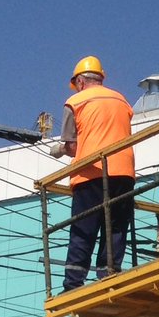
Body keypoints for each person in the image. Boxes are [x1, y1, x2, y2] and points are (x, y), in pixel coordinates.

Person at [50, 55, 136, 292]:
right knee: (116, 228)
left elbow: (73, 146)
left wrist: (60, 149)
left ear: (79, 81)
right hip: (124, 172)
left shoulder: (75, 102)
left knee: (83, 230)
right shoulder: (121, 100)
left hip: (91, 172)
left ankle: (73, 284)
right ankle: (108, 276)